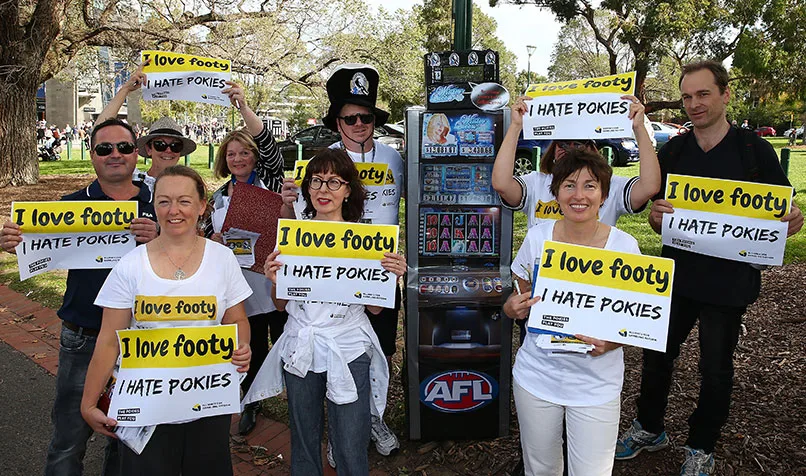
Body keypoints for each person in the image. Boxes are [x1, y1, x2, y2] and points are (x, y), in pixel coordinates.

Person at [615, 60, 803, 475]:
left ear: (724, 94)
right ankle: (649, 427)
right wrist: (656, 217)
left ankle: (701, 446)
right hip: (678, 275)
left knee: (715, 366)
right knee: (657, 356)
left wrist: (792, 219)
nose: (694, 104)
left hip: (729, 283)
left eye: (702, 94)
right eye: (686, 96)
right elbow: (654, 210)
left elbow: (781, 217)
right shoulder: (675, 150)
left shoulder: (754, 151)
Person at [1, 119, 158, 475]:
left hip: (141, 341)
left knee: (126, 440)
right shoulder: (70, 205)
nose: (115, 155)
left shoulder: (159, 205)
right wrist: (14, 245)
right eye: (105, 148)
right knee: (69, 438)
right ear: (92, 156)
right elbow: (40, 249)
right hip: (84, 334)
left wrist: (161, 235)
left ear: (137, 153)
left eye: (123, 147)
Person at [80, 165, 252, 475]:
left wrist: (242, 347)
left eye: (184, 201)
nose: (174, 210)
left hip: (208, 399)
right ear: (154, 205)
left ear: (202, 206)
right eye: (164, 201)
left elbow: (238, 319)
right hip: (147, 405)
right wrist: (89, 402)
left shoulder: (222, 259)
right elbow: (109, 340)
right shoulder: (130, 266)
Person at [250, 149, 406, 475]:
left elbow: (375, 307)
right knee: (304, 440)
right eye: (317, 181)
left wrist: (390, 275)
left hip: (348, 345)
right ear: (307, 188)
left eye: (334, 181)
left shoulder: (367, 240)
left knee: (351, 441)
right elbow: (280, 305)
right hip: (301, 344)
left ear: (348, 189)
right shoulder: (293, 237)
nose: (324, 189)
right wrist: (275, 279)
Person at [280, 63, 404, 461]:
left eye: (366, 117)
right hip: (326, 278)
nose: (359, 124)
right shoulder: (320, 164)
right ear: (337, 121)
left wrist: (395, 265)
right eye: (350, 117)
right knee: (329, 361)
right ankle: (340, 432)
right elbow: (300, 224)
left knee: (378, 349)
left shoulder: (394, 158)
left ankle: (368, 418)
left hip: (376, 269)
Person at [504, 149, 638, 476]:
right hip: (536, 377)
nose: (579, 196)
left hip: (595, 385)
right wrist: (512, 307)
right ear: (556, 193)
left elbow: (639, 321)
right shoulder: (537, 239)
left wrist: (614, 342)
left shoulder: (625, 248)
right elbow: (519, 290)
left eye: (590, 186)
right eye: (569, 185)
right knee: (541, 469)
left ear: (604, 195)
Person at [202, 80, 287, 435]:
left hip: (273, 279)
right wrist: (213, 237)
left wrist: (242, 107)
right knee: (248, 344)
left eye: (244, 152)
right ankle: (251, 400)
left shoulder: (269, 180)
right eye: (232, 154)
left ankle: (295, 397)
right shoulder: (219, 196)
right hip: (239, 286)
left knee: (282, 341)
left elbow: (269, 144)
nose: (238, 159)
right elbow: (204, 231)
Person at [95, 62, 197, 192]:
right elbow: (100, 133)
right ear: (149, 149)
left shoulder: (189, 186)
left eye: (175, 146)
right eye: (160, 144)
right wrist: (125, 90)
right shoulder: (132, 179)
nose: (168, 150)